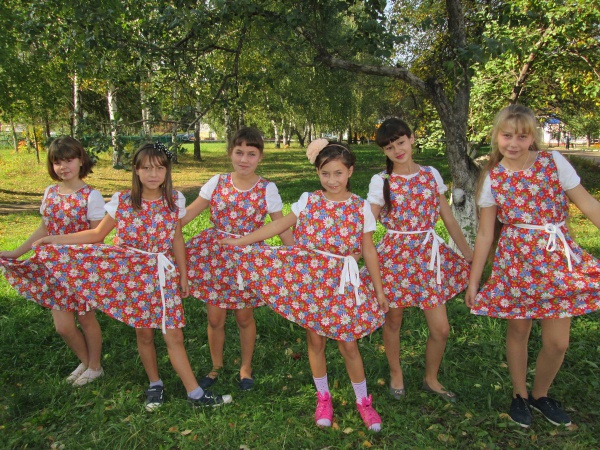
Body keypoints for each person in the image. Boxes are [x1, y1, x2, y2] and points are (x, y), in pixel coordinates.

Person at [33, 143, 232, 410]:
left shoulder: (174, 200)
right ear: (136, 170)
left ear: (167, 171)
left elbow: (176, 238)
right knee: (144, 334)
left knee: (174, 336)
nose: (153, 174)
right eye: (146, 168)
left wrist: (183, 275)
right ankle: (154, 384)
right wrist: (54, 239)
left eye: (159, 168)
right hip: (135, 278)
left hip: (163, 276)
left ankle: (194, 393)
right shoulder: (123, 201)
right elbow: (97, 234)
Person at [221, 140, 389, 431]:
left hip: (342, 286)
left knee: (348, 344)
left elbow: (369, 250)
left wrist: (379, 290)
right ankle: (323, 397)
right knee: (315, 340)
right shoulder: (308, 200)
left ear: (350, 171)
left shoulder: (360, 207)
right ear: (317, 173)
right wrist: (241, 241)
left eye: (338, 173)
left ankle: (363, 401)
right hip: (311, 284)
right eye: (325, 173)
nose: (332, 180)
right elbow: (279, 225)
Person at [465, 104, 600, 428]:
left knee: (558, 342)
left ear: (532, 137)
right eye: (507, 136)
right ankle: (519, 394)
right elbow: (485, 234)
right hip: (516, 263)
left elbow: (587, 203)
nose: (513, 143)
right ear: (496, 136)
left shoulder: (553, 162)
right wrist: (474, 280)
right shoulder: (493, 178)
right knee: (519, 329)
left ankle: (541, 394)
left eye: (522, 137)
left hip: (557, 261)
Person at [364, 118, 473, 402]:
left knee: (441, 328)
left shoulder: (430, 174)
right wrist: (354, 251)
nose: (397, 150)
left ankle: (431, 378)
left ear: (412, 138)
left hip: (428, 258)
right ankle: (396, 373)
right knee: (393, 320)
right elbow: (368, 225)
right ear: (384, 151)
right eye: (389, 147)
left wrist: (468, 253)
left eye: (401, 142)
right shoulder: (381, 181)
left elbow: (448, 218)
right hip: (394, 258)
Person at [182, 127, 294, 391]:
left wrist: (298, 255)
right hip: (216, 258)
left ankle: (245, 368)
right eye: (239, 152)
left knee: (244, 317)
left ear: (260, 157)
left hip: (247, 260)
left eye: (251, 154)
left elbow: (281, 226)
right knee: (215, 319)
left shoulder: (267, 188)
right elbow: (187, 215)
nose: (244, 159)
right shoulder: (217, 182)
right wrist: (160, 230)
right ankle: (216, 366)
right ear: (230, 152)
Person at [0, 136, 105, 386]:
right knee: (63, 327)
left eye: (69, 160)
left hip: (81, 268)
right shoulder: (50, 192)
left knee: (86, 319)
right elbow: (43, 228)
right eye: (58, 162)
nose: (63, 167)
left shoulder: (91, 196)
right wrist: (16, 252)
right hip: (53, 269)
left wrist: (57, 240)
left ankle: (95, 366)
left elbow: (97, 237)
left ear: (81, 161)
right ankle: (86, 362)